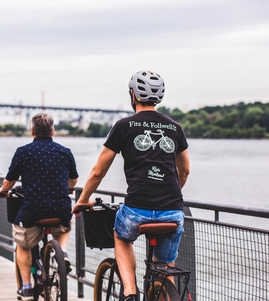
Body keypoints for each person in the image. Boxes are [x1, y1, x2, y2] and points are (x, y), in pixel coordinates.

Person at [72, 71, 190, 301]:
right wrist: (168, 195)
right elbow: (184, 171)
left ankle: (129, 292)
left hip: (137, 206)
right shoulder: (175, 128)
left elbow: (98, 171)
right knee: (164, 266)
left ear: (133, 95)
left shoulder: (124, 126)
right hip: (173, 208)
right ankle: (165, 290)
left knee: (122, 237)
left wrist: (84, 199)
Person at [0, 113, 78, 301]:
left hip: (33, 210)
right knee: (65, 223)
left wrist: (2, 191)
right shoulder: (65, 151)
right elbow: (73, 180)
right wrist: (66, 187)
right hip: (60, 208)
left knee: (22, 245)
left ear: (32, 131)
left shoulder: (23, 152)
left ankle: (26, 288)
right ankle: (62, 252)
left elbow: (10, 180)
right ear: (53, 131)